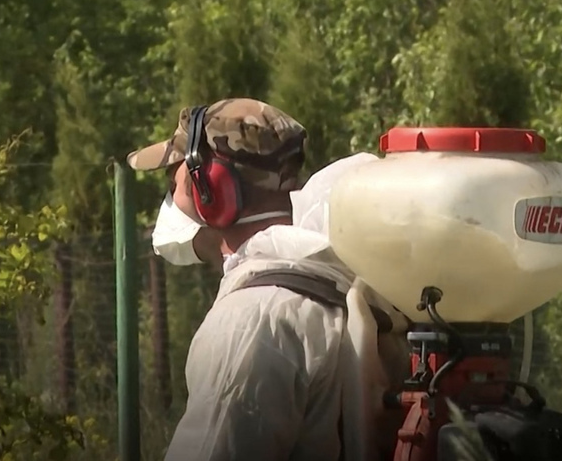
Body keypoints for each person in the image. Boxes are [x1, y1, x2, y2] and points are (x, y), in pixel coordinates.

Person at [127, 98, 409, 461]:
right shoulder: (346, 281)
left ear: (212, 190)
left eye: (176, 178)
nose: (170, 195)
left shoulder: (252, 323)